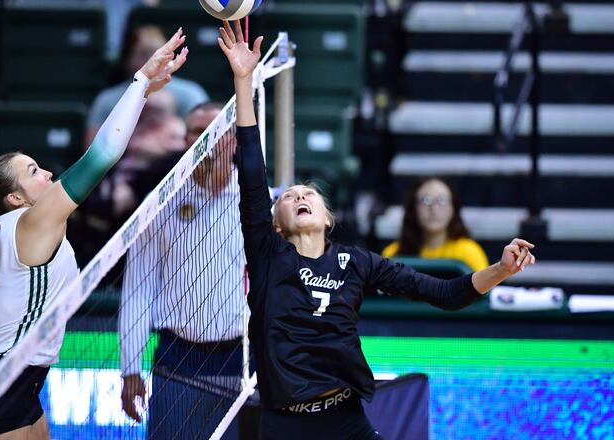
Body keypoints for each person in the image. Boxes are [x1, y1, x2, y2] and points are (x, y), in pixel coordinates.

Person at [218, 20, 536, 440]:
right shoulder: (268, 254)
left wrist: (501, 269)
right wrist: (244, 82)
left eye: (308, 195)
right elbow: (253, 178)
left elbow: (444, 293)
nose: (299, 197)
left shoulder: (356, 262)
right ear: (276, 222)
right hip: (284, 424)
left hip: (345, 418)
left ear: (327, 217)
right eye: (289, 196)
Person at [0, 28, 188, 440]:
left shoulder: (20, 225)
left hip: (20, 382)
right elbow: (102, 156)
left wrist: (143, 91)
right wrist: (140, 82)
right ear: (15, 198)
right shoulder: (31, 222)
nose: (49, 174)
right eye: (34, 172)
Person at [118, 102, 250, 440]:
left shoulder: (257, 201)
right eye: (196, 130)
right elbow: (137, 288)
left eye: (218, 130)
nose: (207, 137)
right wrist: (130, 367)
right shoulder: (160, 202)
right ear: (186, 140)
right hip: (177, 358)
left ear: (234, 139)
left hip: (242, 358)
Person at [86, 24, 208, 145]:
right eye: (143, 54)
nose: (153, 60)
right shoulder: (107, 100)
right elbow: (92, 151)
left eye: (159, 53)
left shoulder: (191, 94)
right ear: (127, 58)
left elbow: (204, 144)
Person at [382, 177, 489, 272]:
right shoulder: (393, 254)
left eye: (441, 201)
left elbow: (484, 292)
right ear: (413, 209)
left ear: (453, 208)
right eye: (425, 201)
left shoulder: (469, 252)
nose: (433, 209)